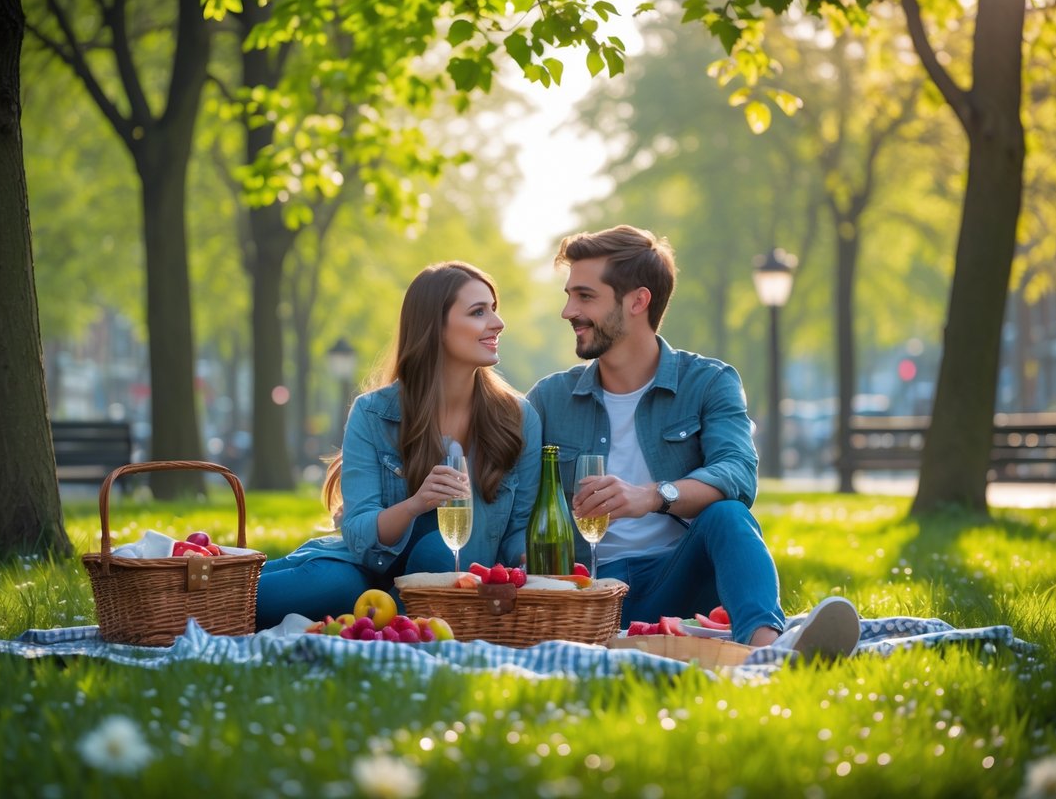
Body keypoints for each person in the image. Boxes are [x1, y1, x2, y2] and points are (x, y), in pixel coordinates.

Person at [526, 224, 789, 648]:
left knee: (728, 515)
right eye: (569, 295)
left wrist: (650, 496)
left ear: (638, 301)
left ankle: (767, 653)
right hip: (585, 594)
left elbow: (738, 473)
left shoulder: (708, 382)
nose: (568, 311)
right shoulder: (549, 399)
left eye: (585, 296)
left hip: (679, 586)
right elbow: (514, 504)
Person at [255, 262, 542, 630]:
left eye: (494, 308)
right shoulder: (374, 413)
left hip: (453, 576)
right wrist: (415, 505)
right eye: (478, 312)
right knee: (328, 584)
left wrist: (530, 560)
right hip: (362, 569)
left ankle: (381, 622)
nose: (498, 322)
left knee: (437, 554)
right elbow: (358, 533)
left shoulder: (518, 419)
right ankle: (184, 588)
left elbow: (520, 529)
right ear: (435, 327)